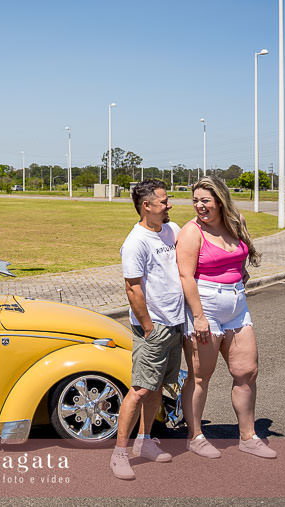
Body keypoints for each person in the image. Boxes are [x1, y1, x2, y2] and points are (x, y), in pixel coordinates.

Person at [176, 176, 276, 459]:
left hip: (236, 306)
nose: (199, 206)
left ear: (220, 200)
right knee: (200, 376)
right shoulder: (192, 232)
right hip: (205, 307)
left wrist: (240, 271)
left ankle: (248, 436)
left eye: (205, 200)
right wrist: (198, 317)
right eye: (195, 201)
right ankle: (195, 436)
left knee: (247, 372)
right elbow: (186, 276)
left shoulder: (236, 222)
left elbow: (241, 253)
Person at [110, 179, 185, 480]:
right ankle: (119, 454)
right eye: (164, 201)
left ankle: (145, 441)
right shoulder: (135, 242)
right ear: (147, 206)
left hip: (174, 322)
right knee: (140, 389)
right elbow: (132, 289)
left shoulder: (172, 230)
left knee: (155, 387)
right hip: (153, 328)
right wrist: (149, 327)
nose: (169, 205)